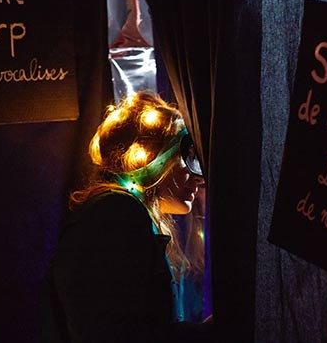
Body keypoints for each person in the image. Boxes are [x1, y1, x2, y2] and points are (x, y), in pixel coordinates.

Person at [42, 92, 212, 343]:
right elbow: (115, 334)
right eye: (189, 156)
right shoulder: (116, 214)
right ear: (150, 156)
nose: (200, 177)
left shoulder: (118, 213)